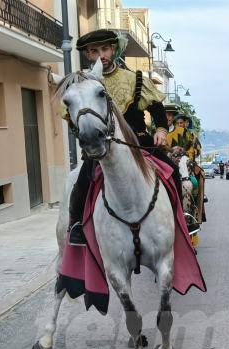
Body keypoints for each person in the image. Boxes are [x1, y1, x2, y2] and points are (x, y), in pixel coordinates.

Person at [66, 29, 189, 245]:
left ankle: (180, 220)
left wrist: (161, 130)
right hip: (100, 146)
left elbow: (157, 109)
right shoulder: (80, 84)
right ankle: (76, 225)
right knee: (82, 181)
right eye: (94, 51)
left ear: (113, 49)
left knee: (172, 171)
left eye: (105, 49)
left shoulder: (135, 78)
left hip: (138, 143)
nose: (101, 55)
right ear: (87, 54)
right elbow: (72, 115)